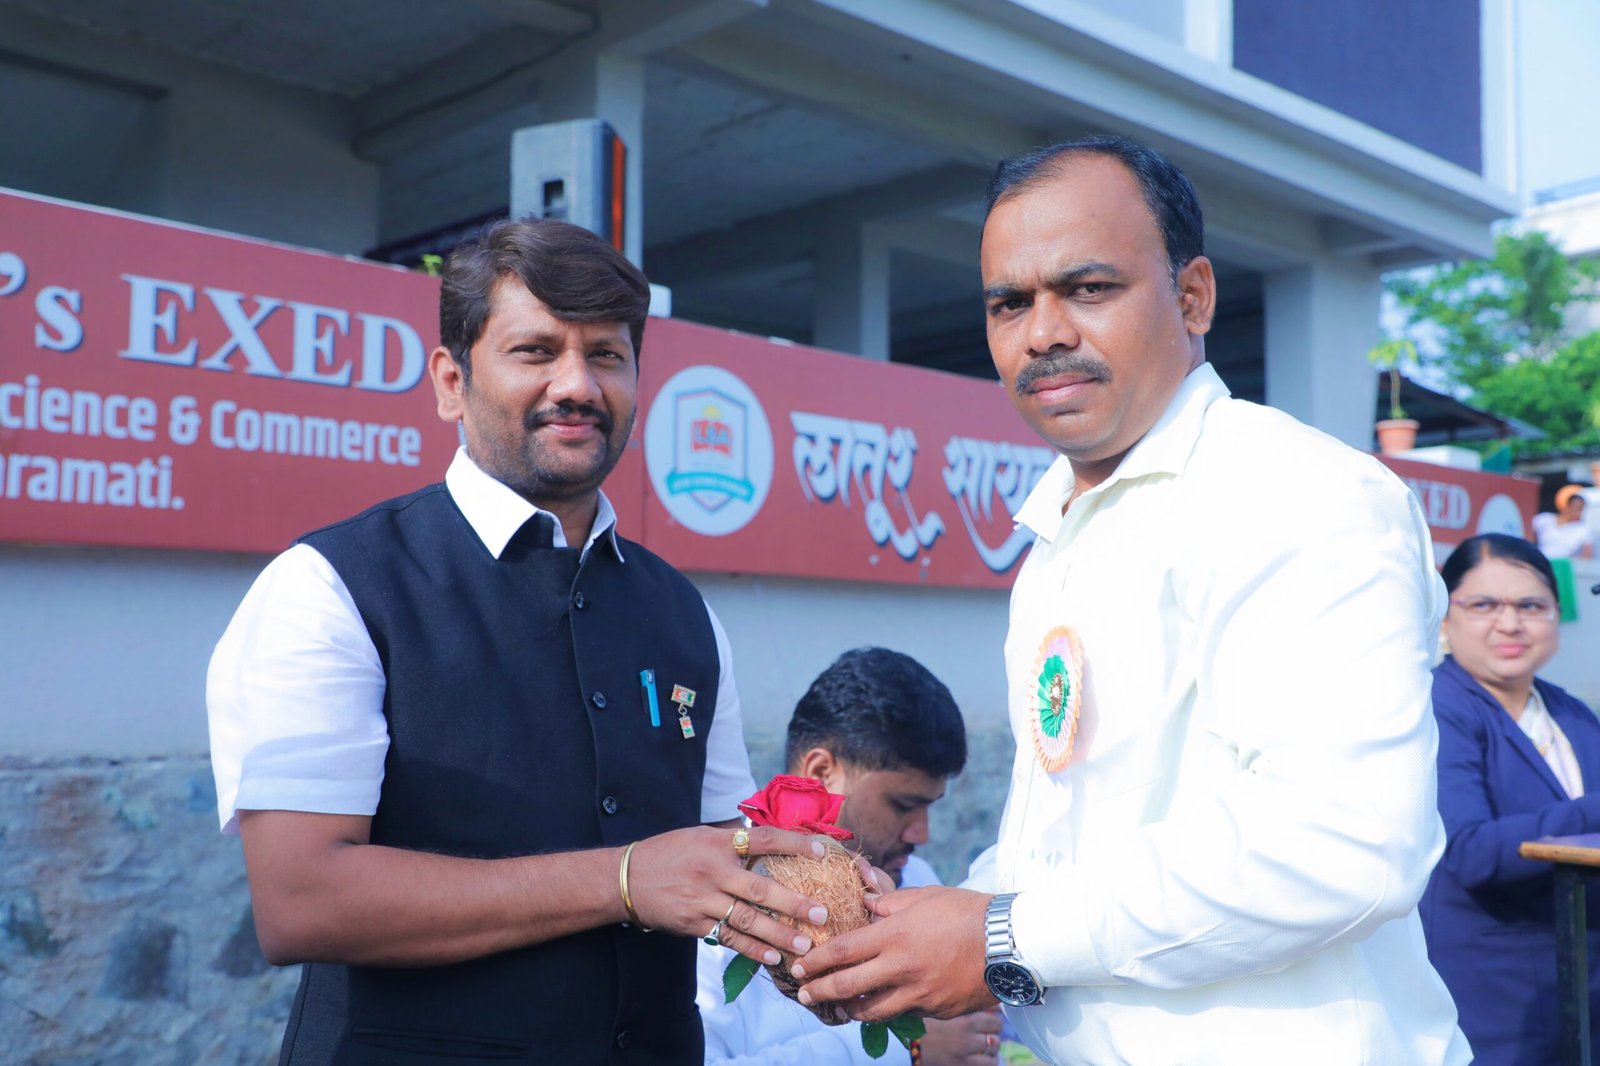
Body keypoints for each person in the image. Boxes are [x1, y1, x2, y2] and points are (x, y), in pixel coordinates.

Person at [792, 135, 1470, 1064]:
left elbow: (1345, 848)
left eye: (1088, 288)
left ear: (1193, 297)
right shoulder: (1059, 536)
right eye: (1010, 303)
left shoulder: (1301, 496)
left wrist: (997, 938)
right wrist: (904, 920)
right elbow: (1069, 842)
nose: (1043, 333)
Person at [206, 218, 829, 1065]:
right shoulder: (330, 587)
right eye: (535, 351)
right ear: (450, 381)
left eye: (606, 355)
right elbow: (302, 900)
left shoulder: (686, 615)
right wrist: (622, 881)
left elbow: (721, 857)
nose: (576, 384)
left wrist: (834, 908)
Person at [695, 647, 1004, 1065]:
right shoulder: (715, 911)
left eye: (929, 807)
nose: (921, 834)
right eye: (902, 805)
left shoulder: (915, 880)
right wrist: (907, 1052)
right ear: (821, 774)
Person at [1421, 533, 1600, 1065]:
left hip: (1580, 987)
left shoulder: (1569, 711)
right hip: (1493, 1000)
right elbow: (1471, 851)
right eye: (1484, 605)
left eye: (1531, 606)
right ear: (1446, 616)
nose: (1510, 623)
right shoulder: (1436, 708)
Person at [1532, 483, 1594, 559]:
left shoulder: (1583, 530)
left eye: (1580, 508)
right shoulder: (1544, 519)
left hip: (1564, 564)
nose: (1577, 512)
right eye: (1575, 507)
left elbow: (1587, 555)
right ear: (1566, 505)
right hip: (1541, 560)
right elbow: (1528, 537)